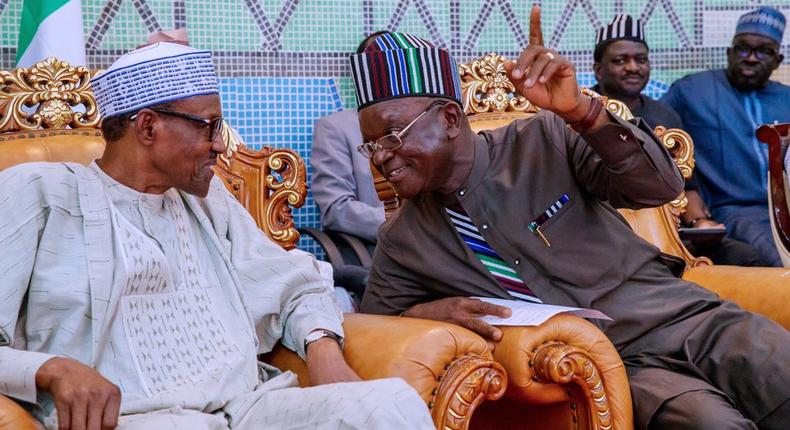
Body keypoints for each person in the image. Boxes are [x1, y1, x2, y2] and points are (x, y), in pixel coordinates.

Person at [353, 6, 789, 430]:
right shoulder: (403, 238)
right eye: (370, 145)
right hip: (618, 367)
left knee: (779, 370)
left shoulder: (545, 138)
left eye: (391, 137)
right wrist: (423, 314)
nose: (381, 158)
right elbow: (372, 334)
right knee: (708, 422)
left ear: (449, 118)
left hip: (680, 317)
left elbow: (659, 189)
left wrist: (583, 112)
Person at [0, 42, 433, 430]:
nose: (221, 147)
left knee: (387, 403)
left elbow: (291, 283)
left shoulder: (208, 200)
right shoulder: (42, 193)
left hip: (248, 410)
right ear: (148, 127)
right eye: (208, 127)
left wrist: (323, 352)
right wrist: (49, 368)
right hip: (140, 418)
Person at [592, 14, 761, 266]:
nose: (633, 67)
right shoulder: (585, 112)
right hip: (603, 230)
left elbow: (687, 183)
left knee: (747, 257)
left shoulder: (664, 114)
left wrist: (699, 223)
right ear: (598, 69)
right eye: (620, 60)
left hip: (669, 231)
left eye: (641, 59)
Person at [662, 6, 790, 267]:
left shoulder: (787, 98)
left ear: (778, 60)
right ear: (729, 53)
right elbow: (652, 127)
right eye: (743, 49)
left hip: (787, 206)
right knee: (781, 259)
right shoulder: (692, 91)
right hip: (736, 211)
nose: (752, 58)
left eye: (763, 51)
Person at [312, 32, 388, 243]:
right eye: (378, 67)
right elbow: (336, 209)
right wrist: (403, 225)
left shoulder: (422, 126)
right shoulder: (336, 128)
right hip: (381, 251)